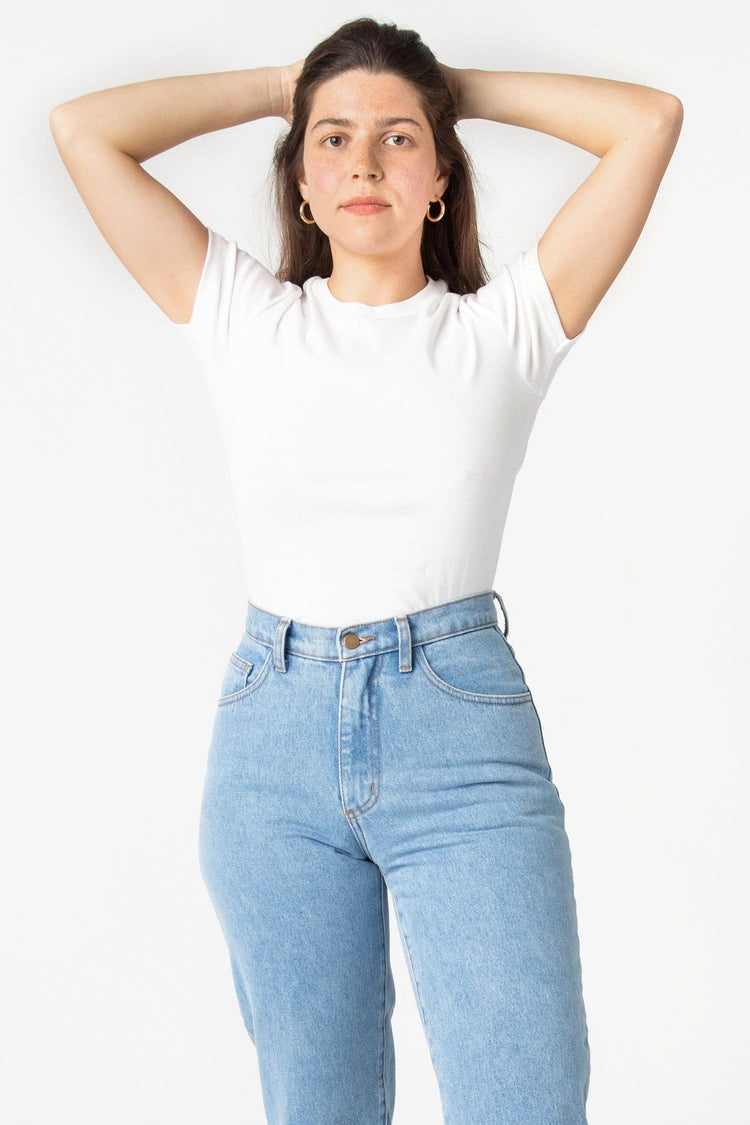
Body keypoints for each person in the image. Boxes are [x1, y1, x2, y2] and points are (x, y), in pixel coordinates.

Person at [49, 17, 682, 1124]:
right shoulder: (246, 318)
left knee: (527, 1100)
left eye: (399, 140)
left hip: (462, 742)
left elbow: (650, 123)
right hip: (272, 745)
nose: (364, 164)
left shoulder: (505, 331)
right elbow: (82, 131)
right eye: (333, 140)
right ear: (300, 183)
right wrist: (281, 85)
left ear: (441, 178)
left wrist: (446, 88)